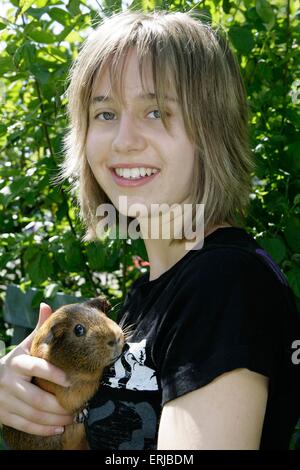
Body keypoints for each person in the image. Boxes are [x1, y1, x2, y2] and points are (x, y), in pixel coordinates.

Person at [1, 10, 300, 450]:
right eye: (104, 113)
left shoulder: (225, 283)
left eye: (156, 111)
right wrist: (28, 398)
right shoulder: (146, 298)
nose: (124, 139)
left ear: (212, 131)